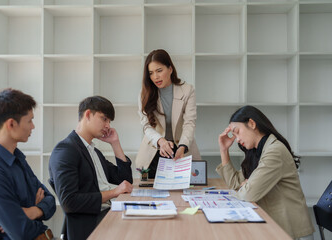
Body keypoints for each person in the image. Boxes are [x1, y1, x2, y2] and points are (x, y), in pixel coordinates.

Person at [217, 105, 314, 239]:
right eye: (233, 135)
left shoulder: (274, 151)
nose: (237, 139)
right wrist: (223, 150)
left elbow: (246, 195)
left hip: (291, 233)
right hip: (275, 227)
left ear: (251, 123)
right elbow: (235, 184)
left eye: (237, 132)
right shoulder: (257, 151)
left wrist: (246, 186)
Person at [0, 88, 56, 240]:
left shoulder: (16, 158)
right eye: (29, 120)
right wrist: (36, 211)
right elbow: (22, 232)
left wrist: (33, 211)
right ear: (11, 124)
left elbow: (50, 199)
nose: (33, 126)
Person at [49, 96, 133, 240]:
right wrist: (113, 192)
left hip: (107, 214)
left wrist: (115, 143)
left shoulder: (93, 151)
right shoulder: (65, 150)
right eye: (104, 119)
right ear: (88, 115)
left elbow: (124, 180)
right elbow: (69, 202)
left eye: (109, 121)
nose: (108, 125)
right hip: (91, 224)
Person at [136, 49, 201, 178]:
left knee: (187, 191)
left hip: (182, 147)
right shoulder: (145, 94)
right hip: (155, 149)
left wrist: (182, 146)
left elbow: (189, 122)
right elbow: (146, 126)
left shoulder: (188, 90)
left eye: (159, 71)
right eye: (151, 73)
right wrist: (161, 141)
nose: (155, 77)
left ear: (170, 69)